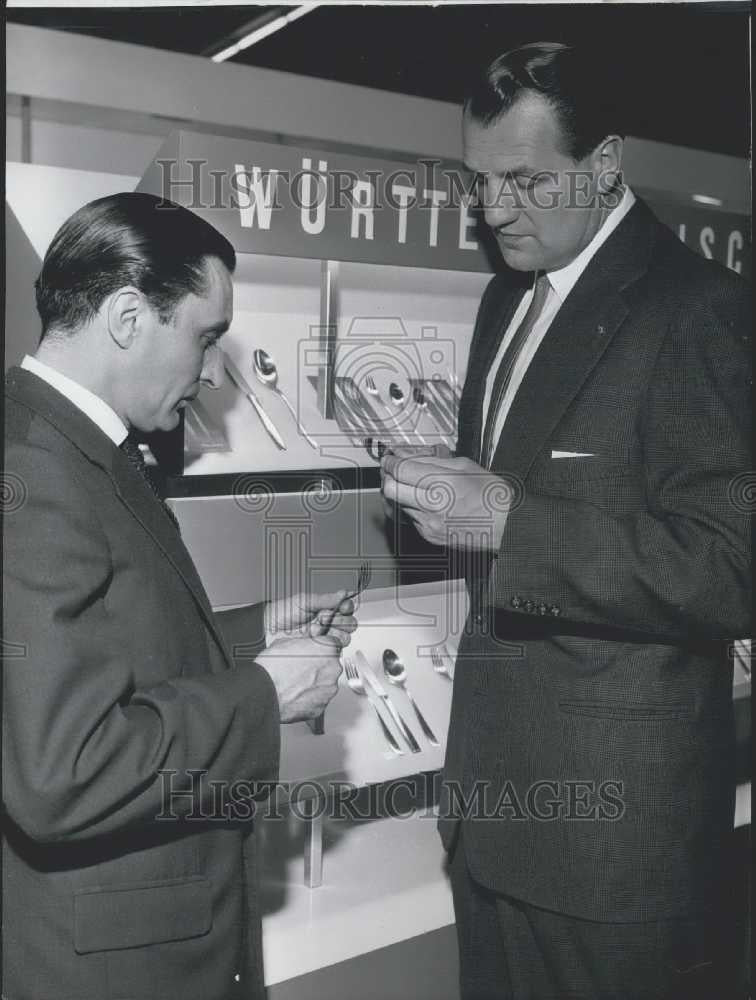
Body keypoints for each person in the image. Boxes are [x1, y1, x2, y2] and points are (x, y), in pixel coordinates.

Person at [381, 42, 751, 999]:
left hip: (615, 853)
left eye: (525, 180)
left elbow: (731, 564)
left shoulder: (702, 311)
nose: (494, 208)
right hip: (493, 819)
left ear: (608, 164)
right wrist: (448, 492)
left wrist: (509, 516)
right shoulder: (507, 300)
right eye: (478, 180)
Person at [2, 192, 357, 1000]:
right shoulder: (38, 475)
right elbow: (63, 772)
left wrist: (250, 635)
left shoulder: (66, 446)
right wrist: (265, 694)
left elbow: (96, 656)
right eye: (206, 338)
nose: (208, 374)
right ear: (128, 316)